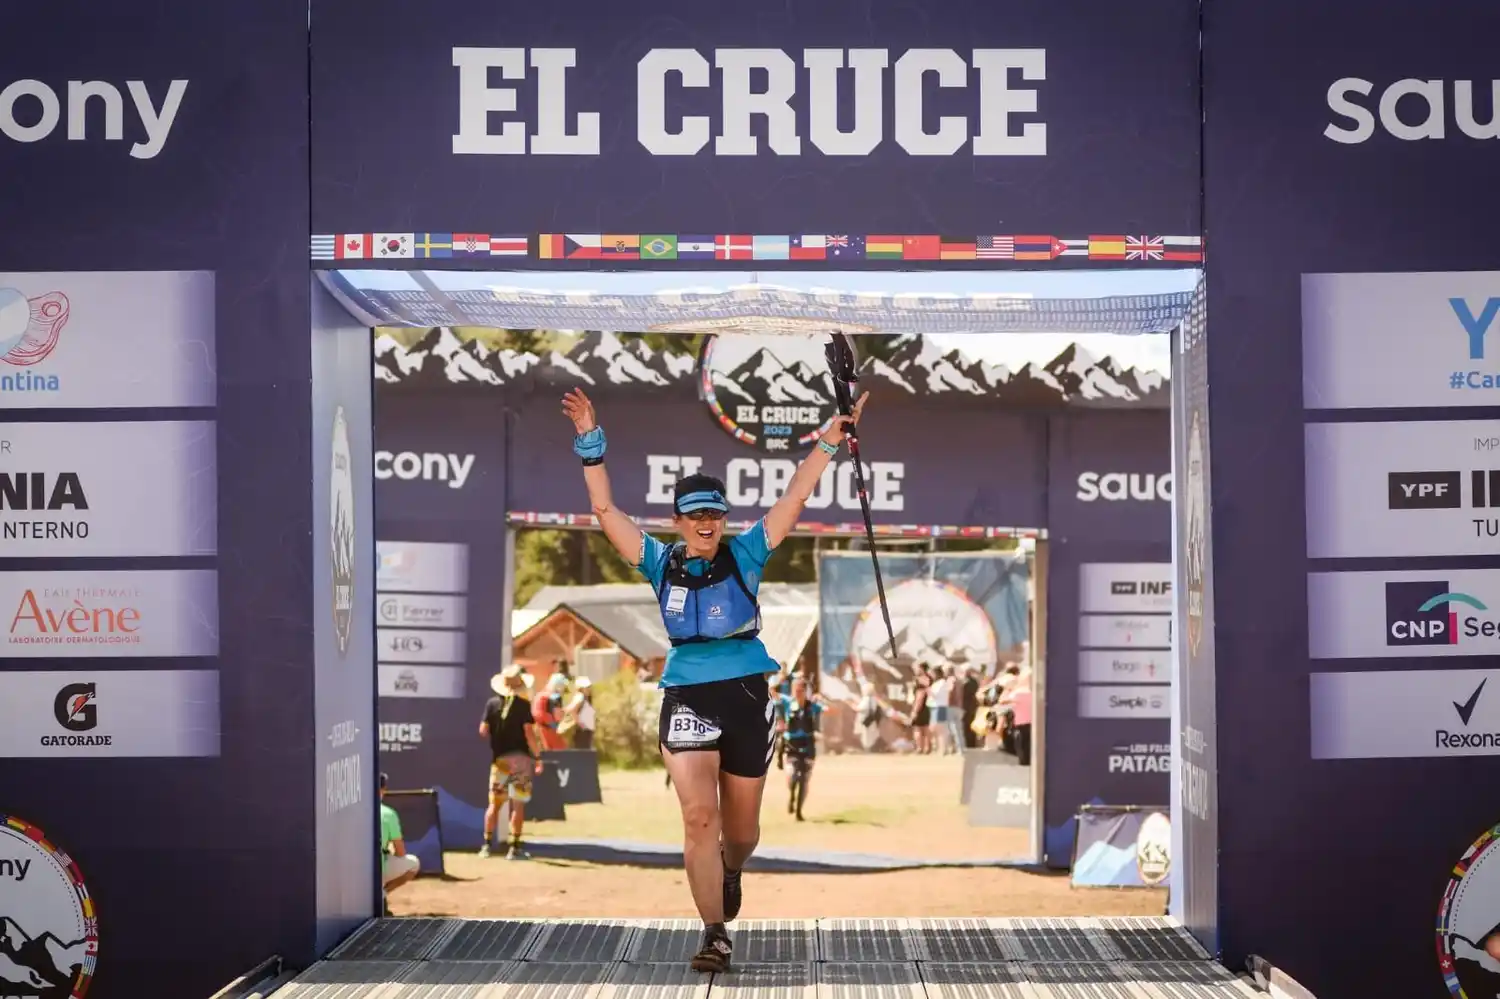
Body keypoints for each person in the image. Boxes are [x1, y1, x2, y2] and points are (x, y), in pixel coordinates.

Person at [562, 383, 868, 973]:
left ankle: (731, 869)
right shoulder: (658, 561)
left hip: (747, 690)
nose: (706, 522)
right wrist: (589, 441)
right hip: (686, 693)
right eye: (696, 514)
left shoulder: (748, 552)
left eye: (715, 513)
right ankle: (713, 933)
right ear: (677, 520)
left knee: (742, 831)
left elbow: (796, 494)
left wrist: (830, 440)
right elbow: (604, 511)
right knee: (699, 815)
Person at [479, 665, 545, 859]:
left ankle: (486, 845)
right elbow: (529, 733)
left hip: (499, 761)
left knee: (494, 805)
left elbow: (482, 730)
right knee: (518, 804)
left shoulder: (491, 704)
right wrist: (538, 756)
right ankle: (514, 847)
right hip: (520, 761)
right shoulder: (524, 706)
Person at [778, 677, 823, 820]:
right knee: (793, 777)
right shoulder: (786, 703)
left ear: (806, 692)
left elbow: (832, 710)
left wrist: (823, 700)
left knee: (804, 780)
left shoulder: (813, 706)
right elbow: (771, 693)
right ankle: (791, 796)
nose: (798, 693)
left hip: (808, 745)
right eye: (795, 690)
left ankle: (799, 811)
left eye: (801, 691)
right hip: (791, 745)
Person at [380, 772, 420, 907]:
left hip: (349, 870)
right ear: (383, 790)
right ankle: (381, 894)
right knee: (413, 864)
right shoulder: (388, 814)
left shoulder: (353, 811)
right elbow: (401, 852)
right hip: (377, 870)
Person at [532, 672, 570, 751]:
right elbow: (557, 714)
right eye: (562, 685)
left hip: (542, 727)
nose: (563, 688)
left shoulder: (541, 695)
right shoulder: (551, 696)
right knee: (560, 752)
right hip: (549, 728)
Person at [565, 675, 597, 749]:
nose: (589, 689)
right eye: (586, 687)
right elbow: (572, 710)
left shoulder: (585, 698)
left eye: (589, 687)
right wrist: (581, 725)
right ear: (580, 688)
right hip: (582, 732)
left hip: (586, 731)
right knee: (582, 753)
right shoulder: (580, 696)